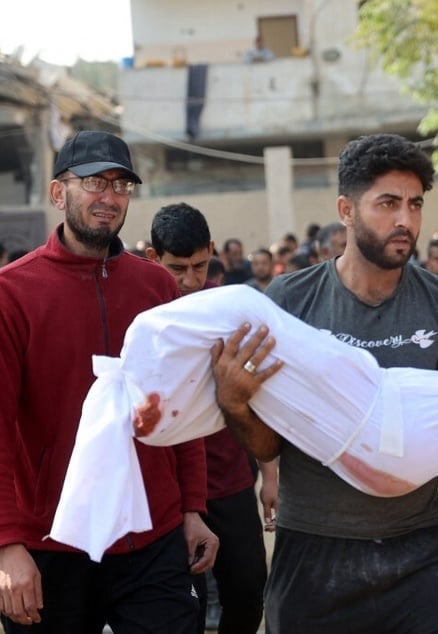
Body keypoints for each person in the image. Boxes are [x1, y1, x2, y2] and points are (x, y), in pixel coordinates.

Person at [210, 133, 438, 633]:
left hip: (418, 542)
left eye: (415, 204)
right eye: (388, 203)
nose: (405, 220)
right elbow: (272, 443)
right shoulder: (290, 301)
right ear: (346, 210)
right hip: (314, 548)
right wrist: (236, 406)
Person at [0, 130, 214, 632]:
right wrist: (6, 545)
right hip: (50, 540)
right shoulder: (7, 293)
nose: (110, 197)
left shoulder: (157, 285)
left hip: (152, 533)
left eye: (121, 186)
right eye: (96, 182)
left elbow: (179, 408)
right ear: (60, 194)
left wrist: (192, 508)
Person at [146, 203, 273, 634]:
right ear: (151, 258)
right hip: (167, 489)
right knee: (185, 603)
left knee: (249, 588)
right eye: (176, 268)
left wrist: (270, 477)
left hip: (231, 477)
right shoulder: (140, 313)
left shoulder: (230, 309)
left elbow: (262, 398)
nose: (188, 280)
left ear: (212, 253)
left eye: (199, 266)